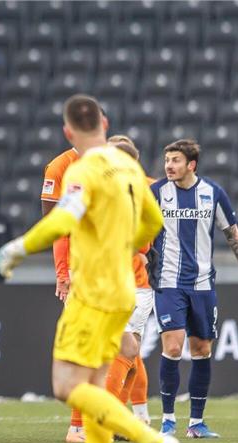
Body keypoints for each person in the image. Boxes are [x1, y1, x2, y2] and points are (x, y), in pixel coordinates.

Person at [0, 94, 178, 443]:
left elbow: (63, 218)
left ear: (67, 131)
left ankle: (151, 441)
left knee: (66, 386)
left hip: (92, 291)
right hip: (124, 290)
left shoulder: (82, 168)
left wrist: (21, 247)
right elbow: (153, 222)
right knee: (96, 382)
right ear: (104, 122)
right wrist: (125, 245)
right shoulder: (130, 168)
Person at [150, 139, 238, 439]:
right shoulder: (157, 193)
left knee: (202, 350)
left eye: (175, 160)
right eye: (167, 160)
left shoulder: (212, 193)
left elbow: (232, 234)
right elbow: (138, 229)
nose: (168, 166)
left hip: (202, 285)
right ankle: (168, 420)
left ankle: (196, 423)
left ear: (191, 165)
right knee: (172, 347)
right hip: (169, 283)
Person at [103, 135, 154, 427]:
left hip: (133, 283)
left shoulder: (144, 189)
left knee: (126, 350)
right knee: (129, 351)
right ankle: (137, 417)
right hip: (114, 282)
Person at [41, 144, 84, 443]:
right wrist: (62, 273)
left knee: (127, 349)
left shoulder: (115, 165)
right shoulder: (61, 166)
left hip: (116, 274)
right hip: (84, 273)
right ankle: (78, 425)